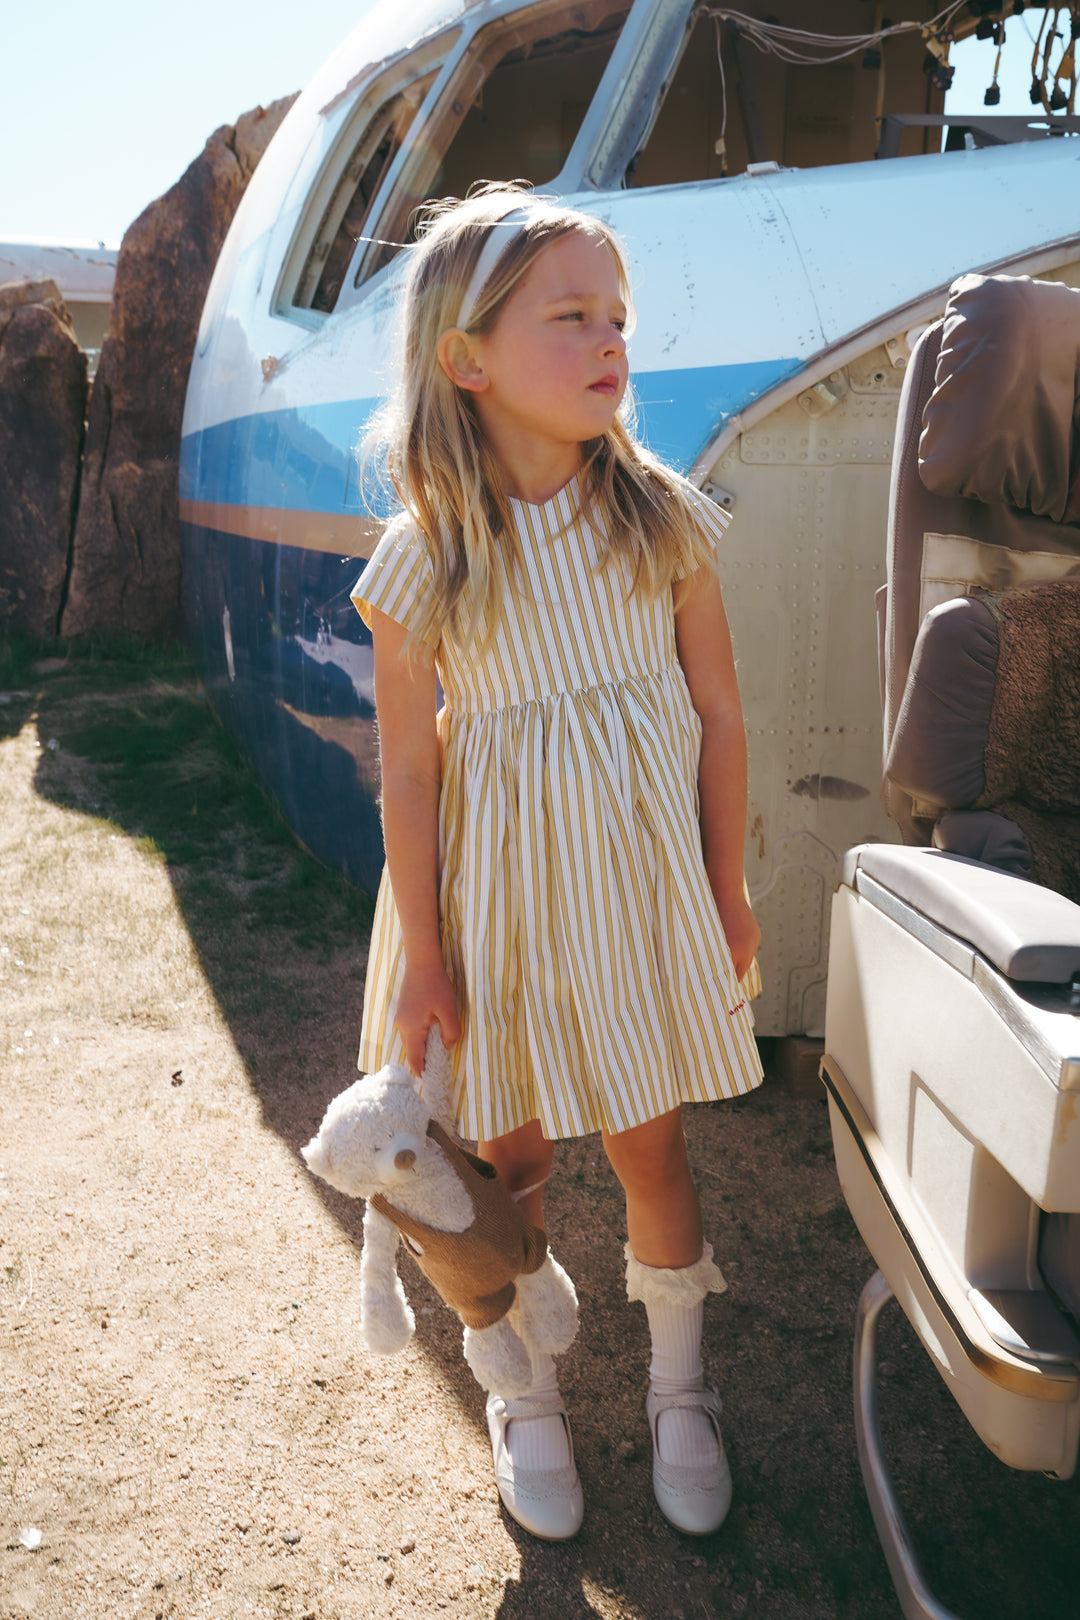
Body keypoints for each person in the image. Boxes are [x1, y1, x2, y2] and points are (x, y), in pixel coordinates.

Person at [350, 183, 764, 1542]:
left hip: (635, 899)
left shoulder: (662, 519)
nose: (610, 340)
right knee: (506, 1160)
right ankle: (522, 1392)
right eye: (571, 315)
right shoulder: (428, 555)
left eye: (618, 317)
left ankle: (679, 1385)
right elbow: (412, 770)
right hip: (492, 910)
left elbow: (718, 713)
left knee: (654, 1146)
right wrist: (426, 955)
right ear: (466, 357)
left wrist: (728, 889)